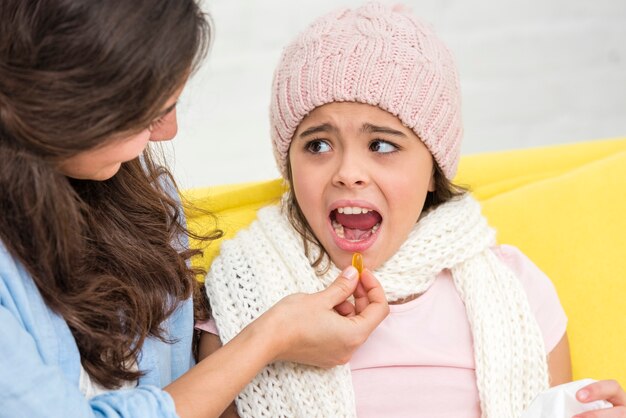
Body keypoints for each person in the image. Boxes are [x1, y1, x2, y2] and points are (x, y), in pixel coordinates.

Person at [199, 3, 625, 418]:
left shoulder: (519, 293)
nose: (348, 173)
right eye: (318, 145)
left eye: (382, 145)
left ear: (433, 170)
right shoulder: (244, 303)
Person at [0, 1, 390, 417]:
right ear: (64, 103)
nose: (169, 131)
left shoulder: (146, 204)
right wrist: (269, 338)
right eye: (149, 114)